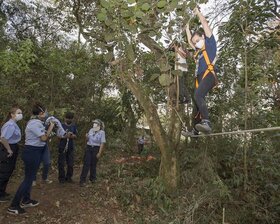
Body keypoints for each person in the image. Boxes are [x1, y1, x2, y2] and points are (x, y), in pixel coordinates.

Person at [7, 102, 55, 215]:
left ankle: (26, 200)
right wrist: (51, 128)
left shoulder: (38, 123)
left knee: (30, 177)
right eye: (46, 111)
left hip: (36, 152)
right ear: (42, 113)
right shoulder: (34, 124)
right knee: (28, 179)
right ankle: (14, 205)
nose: (47, 113)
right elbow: (43, 138)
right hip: (32, 152)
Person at [183, 6, 218, 136]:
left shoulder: (210, 44)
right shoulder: (198, 52)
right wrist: (187, 29)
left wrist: (198, 12)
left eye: (197, 40)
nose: (196, 43)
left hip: (209, 75)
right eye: (194, 42)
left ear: (203, 36)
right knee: (196, 104)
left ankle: (207, 123)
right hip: (199, 78)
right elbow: (189, 41)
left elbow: (204, 23)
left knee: (198, 95)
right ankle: (195, 130)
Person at [0, 106, 23, 203]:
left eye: (21, 113)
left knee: (8, 171)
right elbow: (3, 138)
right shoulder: (10, 125)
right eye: (18, 113)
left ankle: (2, 192)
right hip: (8, 148)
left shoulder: (13, 124)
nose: (20, 115)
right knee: (5, 172)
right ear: (12, 114)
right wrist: (9, 149)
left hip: (12, 146)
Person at [80, 119, 105, 187]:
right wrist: (86, 137)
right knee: (86, 163)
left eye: (96, 123)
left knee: (93, 164)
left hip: (96, 148)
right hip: (89, 148)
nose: (94, 124)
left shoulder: (102, 132)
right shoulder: (91, 130)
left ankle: (93, 178)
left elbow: (102, 143)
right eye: (94, 123)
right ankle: (82, 180)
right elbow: (87, 140)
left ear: (99, 125)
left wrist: (99, 153)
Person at [57, 112, 77, 183]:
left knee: (70, 163)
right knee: (61, 163)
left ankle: (69, 177)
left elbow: (75, 136)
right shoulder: (61, 126)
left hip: (70, 147)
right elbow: (58, 136)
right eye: (67, 118)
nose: (69, 120)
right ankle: (61, 178)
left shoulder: (73, 126)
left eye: (70, 119)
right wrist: (65, 136)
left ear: (72, 119)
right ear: (65, 118)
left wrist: (72, 136)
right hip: (62, 147)